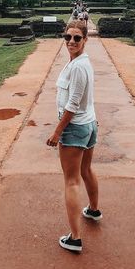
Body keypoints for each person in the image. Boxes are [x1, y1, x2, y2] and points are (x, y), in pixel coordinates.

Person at [46, 20, 101, 253]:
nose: (71, 41)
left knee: (71, 181)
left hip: (75, 127)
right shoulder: (81, 62)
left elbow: (73, 103)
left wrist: (58, 131)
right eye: (68, 37)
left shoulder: (78, 66)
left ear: (85, 40)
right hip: (88, 124)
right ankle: (94, 210)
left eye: (77, 38)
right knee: (86, 170)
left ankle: (75, 238)